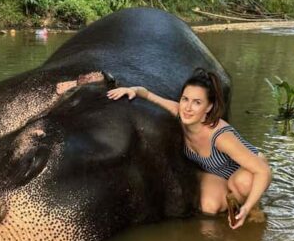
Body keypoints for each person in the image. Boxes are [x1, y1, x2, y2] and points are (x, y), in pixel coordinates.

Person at [107, 68, 271, 229]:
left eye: (197, 102)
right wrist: (131, 90)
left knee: (243, 183)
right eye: (185, 99)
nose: (188, 107)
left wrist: (248, 208)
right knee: (209, 206)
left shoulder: (220, 136)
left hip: (249, 169)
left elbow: (263, 170)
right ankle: (229, 200)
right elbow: (148, 94)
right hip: (219, 173)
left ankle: (252, 206)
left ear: (208, 107)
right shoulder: (178, 112)